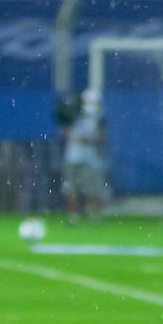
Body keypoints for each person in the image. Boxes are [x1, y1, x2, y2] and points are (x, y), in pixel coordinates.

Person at [61, 88, 109, 224]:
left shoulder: (99, 118)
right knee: (71, 188)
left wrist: (86, 139)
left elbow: (101, 137)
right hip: (73, 156)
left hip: (91, 158)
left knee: (92, 188)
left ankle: (93, 214)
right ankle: (73, 217)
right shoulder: (74, 115)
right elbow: (67, 133)